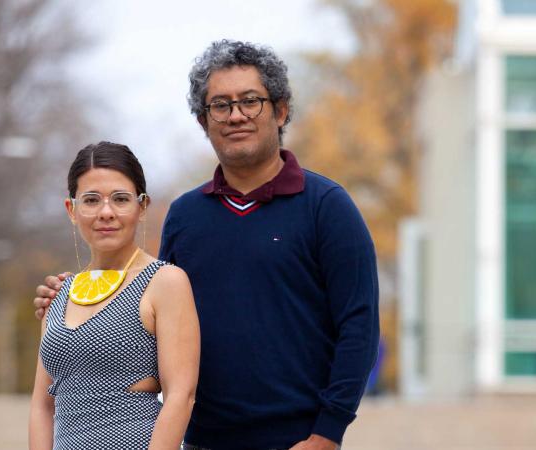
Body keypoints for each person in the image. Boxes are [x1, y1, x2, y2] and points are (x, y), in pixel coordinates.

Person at [34, 40, 379, 450]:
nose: (236, 115)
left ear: (281, 110)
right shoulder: (185, 216)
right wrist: (70, 300)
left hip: (297, 439)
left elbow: (359, 325)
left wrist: (327, 434)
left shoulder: (327, 206)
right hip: (201, 440)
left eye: (251, 101)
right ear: (203, 120)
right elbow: (151, 315)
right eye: (220, 105)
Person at [29, 142, 200, 450]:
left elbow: (181, 396)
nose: (106, 212)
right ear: (72, 209)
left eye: (120, 199)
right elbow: (42, 407)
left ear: (142, 205)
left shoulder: (165, 282)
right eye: (91, 200)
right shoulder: (60, 293)